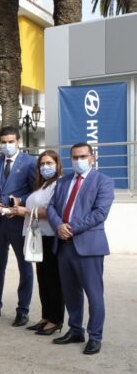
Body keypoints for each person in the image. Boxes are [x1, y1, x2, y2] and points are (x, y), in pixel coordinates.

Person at [47, 143, 114, 355]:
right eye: (75, 157)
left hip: (88, 247)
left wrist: (71, 228)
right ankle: (75, 330)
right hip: (64, 246)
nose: (78, 161)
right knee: (70, 293)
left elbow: (100, 213)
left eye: (83, 156)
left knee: (94, 294)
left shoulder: (103, 181)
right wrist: (58, 225)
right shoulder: (63, 181)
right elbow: (51, 207)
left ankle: (95, 336)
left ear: (92, 158)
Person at [0, 126, 37, 326]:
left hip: (18, 223)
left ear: (18, 141)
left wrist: (20, 201)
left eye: (10, 141)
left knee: (25, 267)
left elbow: (36, 191)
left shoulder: (30, 162)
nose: (6, 145)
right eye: (3, 142)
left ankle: (23, 310)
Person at [11, 150, 64, 335]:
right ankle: (46, 316)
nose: (45, 167)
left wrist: (24, 211)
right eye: (42, 164)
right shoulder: (42, 185)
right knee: (43, 279)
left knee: (53, 279)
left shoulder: (59, 184)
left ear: (57, 165)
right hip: (37, 236)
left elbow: (51, 211)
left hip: (50, 236)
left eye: (49, 163)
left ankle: (56, 319)